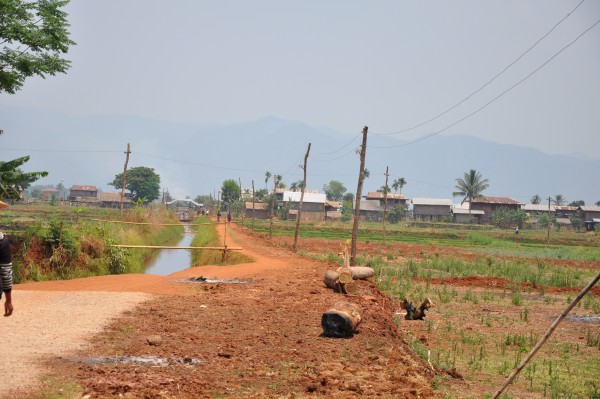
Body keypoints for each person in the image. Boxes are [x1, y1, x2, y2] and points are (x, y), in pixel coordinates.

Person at [0, 232, 13, 317]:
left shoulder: (3, 242)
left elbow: (6, 270)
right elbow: (6, 270)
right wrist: (8, 300)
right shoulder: (3, 241)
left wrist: (8, 300)